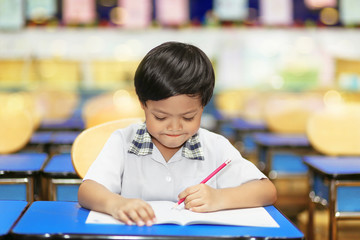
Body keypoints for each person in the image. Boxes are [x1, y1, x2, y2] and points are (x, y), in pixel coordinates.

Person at [78, 41, 277, 227]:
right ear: (143, 105)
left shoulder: (214, 146)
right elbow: (87, 191)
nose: (174, 127)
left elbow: (267, 190)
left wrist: (219, 198)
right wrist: (116, 204)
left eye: (188, 117)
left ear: (203, 106)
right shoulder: (123, 142)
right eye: (161, 117)